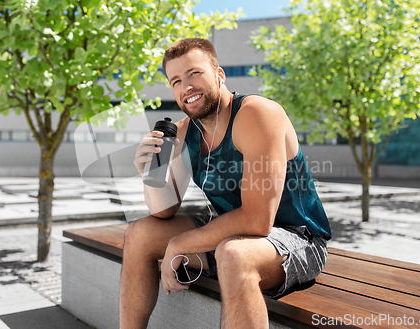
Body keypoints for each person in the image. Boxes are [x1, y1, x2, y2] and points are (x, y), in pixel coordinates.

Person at [120, 38, 331, 329]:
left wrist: (179, 245)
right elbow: (163, 212)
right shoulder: (183, 132)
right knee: (139, 234)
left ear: (219, 75)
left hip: (297, 239)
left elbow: (258, 221)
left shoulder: (257, 114)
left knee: (233, 255)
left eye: (194, 73)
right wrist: (151, 174)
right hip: (231, 237)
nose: (186, 87)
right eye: (176, 81)